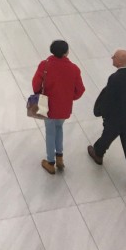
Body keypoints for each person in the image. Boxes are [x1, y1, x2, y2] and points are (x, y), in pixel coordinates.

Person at [87, 49, 126, 194]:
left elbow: (109, 99)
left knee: (107, 137)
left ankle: (98, 154)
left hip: (116, 119)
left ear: (119, 61)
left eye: (114, 56)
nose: (112, 57)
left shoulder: (114, 78)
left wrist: (103, 114)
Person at [32, 39, 85, 174]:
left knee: (50, 132)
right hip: (64, 106)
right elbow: (80, 90)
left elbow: (36, 84)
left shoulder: (45, 65)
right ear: (67, 52)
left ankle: (50, 162)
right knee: (59, 128)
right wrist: (69, 97)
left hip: (47, 105)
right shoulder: (74, 68)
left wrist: (38, 94)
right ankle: (60, 157)